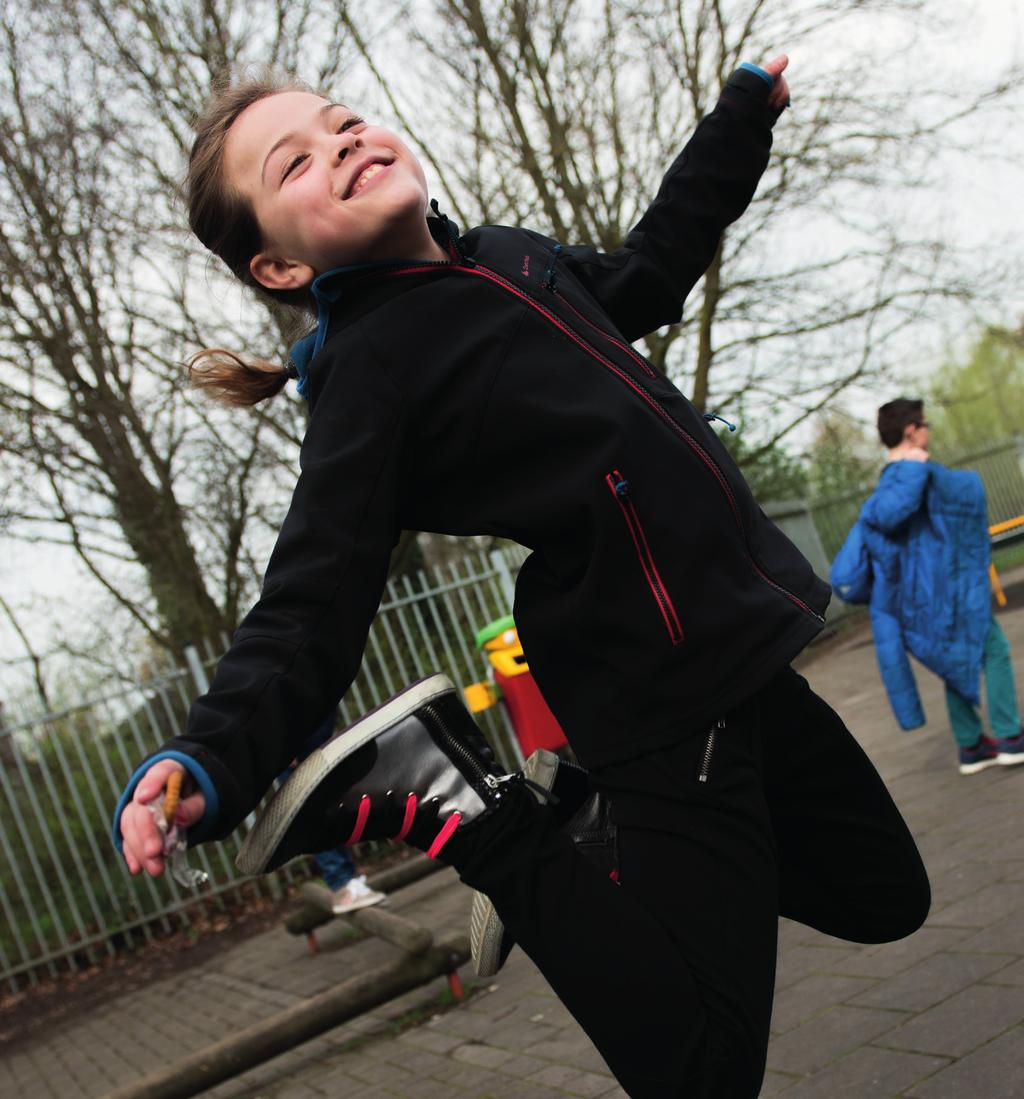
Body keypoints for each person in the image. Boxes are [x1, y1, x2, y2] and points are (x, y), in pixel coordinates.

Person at [113, 57, 931, 1098]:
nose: (345, 143)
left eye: (345, 122)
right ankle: (462, 808)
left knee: (881, 894)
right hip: (659, 696)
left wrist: (736, 129)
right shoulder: (373, 374)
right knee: (700, 1068)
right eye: (298, 162)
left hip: (743, 656)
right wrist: (209, 755)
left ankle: (587, 841)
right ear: (277, 265)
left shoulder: (505, 256)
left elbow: (649, 272)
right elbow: (310, 598)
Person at [856, 398, 1024, 775]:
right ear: (911, 430)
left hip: (920, 595)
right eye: (925, 424)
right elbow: (894, 516)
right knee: (993, 649)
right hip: (943, 588)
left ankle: (971, 746)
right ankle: (1011, 737)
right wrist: (920, 467)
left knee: (953, 659)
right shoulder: (910, 474)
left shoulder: (890, 481)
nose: (929, 430)